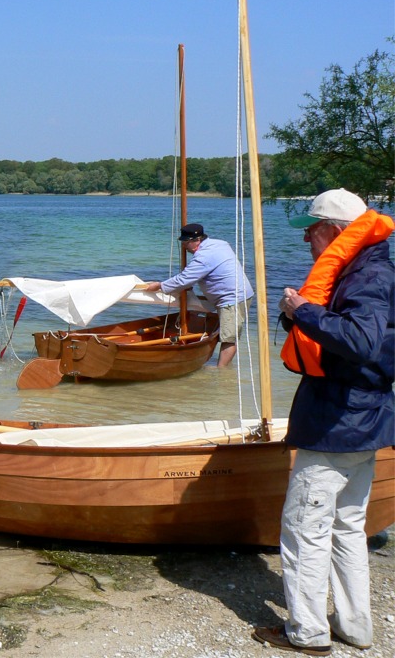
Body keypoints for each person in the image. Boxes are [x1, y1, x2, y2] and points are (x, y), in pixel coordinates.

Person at [251, 188, 394, 656]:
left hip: (338, 420)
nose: (307, 239)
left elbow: (359, 341)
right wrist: (303, 317)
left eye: (311, 230)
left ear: (333, 231)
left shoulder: (368, 275)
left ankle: (307, 633)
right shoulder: (369, 269)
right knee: (347, 525)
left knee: (304, 528)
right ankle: (354, 628)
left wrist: (302, 311)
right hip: (362, 418)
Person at [142, 222, 254, 367]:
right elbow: (207, 272)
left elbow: (184, 278)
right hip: (238, 294)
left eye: (185, 243)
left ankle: (221, 372)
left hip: (231, 298)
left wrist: (160, 286)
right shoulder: (220, 244)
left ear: (197, 241)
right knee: (226, 332)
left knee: (228, 337)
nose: (183, 246)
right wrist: (188, 285)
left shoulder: (204, 256)